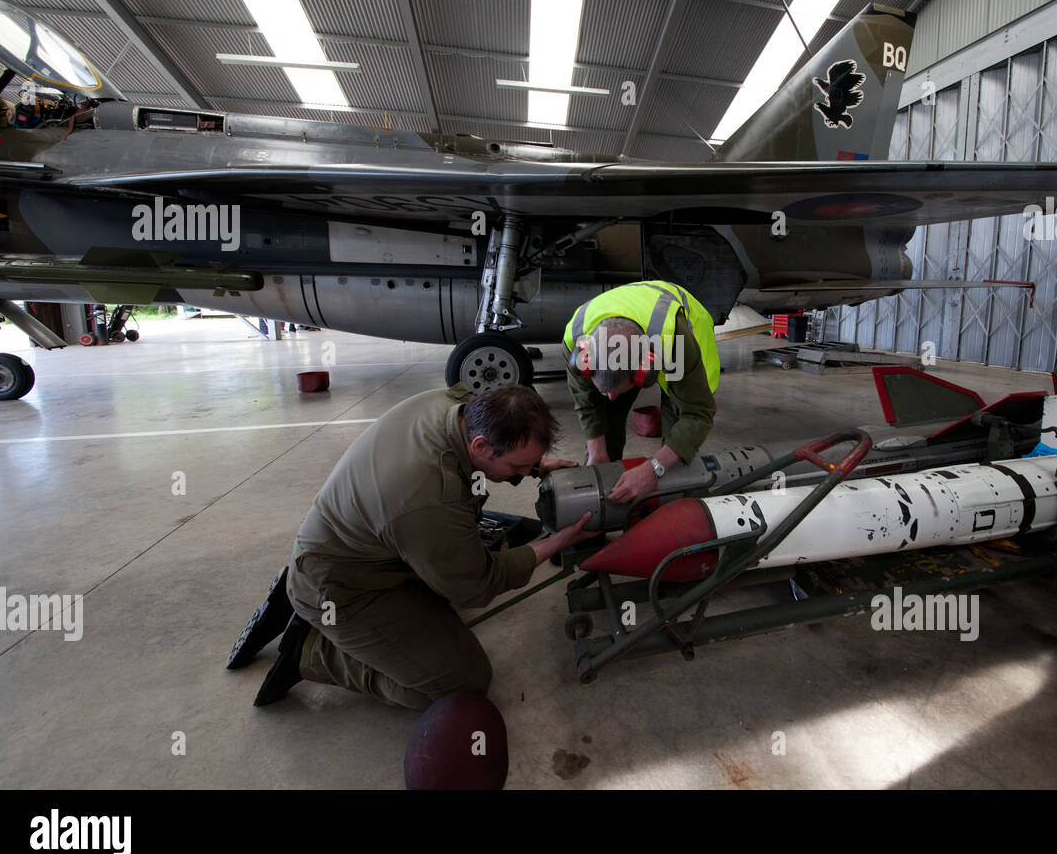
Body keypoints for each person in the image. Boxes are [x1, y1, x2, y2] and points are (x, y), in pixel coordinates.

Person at [226, 383, 595, 709]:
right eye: (517, 466)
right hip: (344, 586)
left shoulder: (456, 403)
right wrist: (554, 543)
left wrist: (533, 466)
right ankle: (311, 652)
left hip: (363, 547)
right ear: (481, 444)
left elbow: (483, 468)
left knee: (449, 583)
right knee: (462, 682)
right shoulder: (429, 495)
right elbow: (476, 585)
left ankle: (303, 598)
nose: (522, 473)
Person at [563, 280, 720, 505]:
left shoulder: (675, 343)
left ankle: (673, 507)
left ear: (644, 373)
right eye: (604, 389)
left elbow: (697, 414)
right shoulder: (576, 339)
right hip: (639, 320)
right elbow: (587, 402)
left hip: (682, 339)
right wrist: (597, 449)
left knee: (677, 438)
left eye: (617, 391)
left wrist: (654, 469)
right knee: (604, 423)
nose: (612, 398)